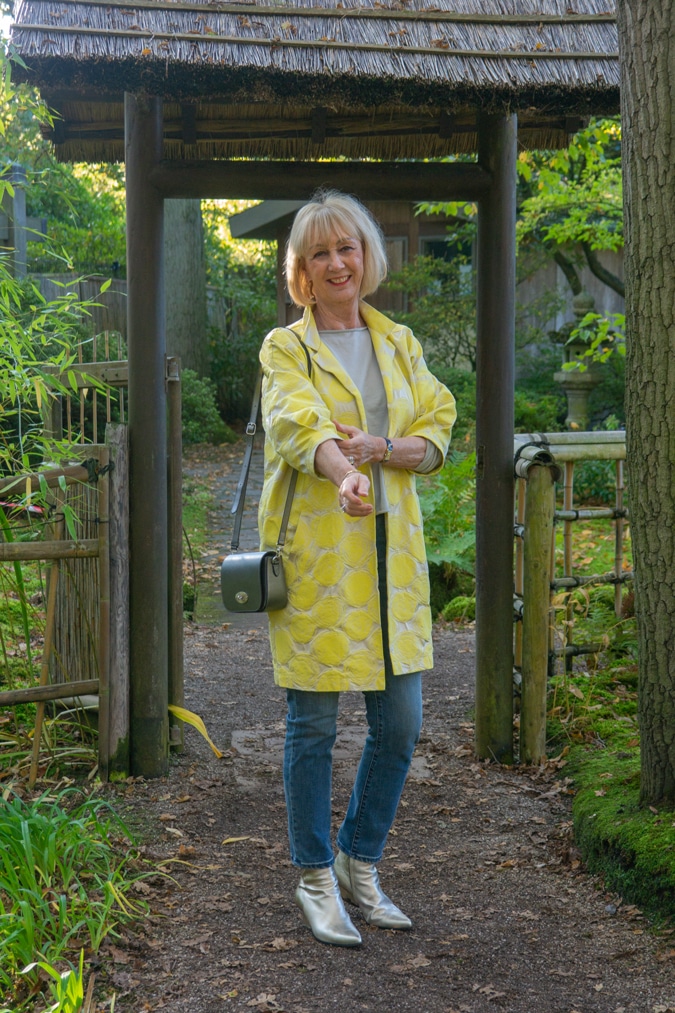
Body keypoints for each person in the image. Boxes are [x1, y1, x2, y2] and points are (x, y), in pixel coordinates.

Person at [258, 190, 456, 947]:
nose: (336, 262)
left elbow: (435, 425)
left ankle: (357, 861)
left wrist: (383, 449)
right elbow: (294, 425)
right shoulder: (287, 347)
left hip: (391, 557)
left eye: (346, 247)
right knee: (311, 724)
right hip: (319, 557)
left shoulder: (398, 341)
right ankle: (312, 873)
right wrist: (344, 467)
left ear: (366, 256)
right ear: (301, 272)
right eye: (318, 253)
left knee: (398, 724)